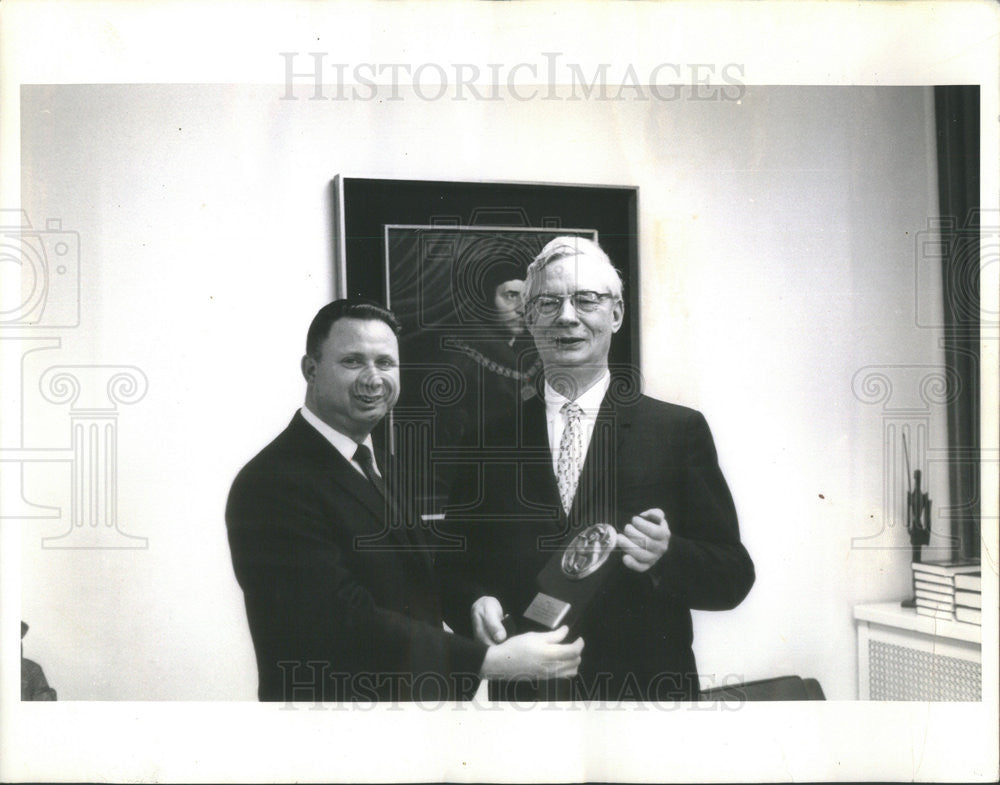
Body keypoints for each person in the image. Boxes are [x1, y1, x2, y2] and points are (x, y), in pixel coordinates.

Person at [439, 238, 755, 701]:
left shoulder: (677, 430)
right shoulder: (487, 440)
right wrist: (472, 603)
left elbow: (733, 576)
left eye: (586, 300)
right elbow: (451, 568)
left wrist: (667, 555)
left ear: (616, 314)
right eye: (547, 302)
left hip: (646, 702)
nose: (567, 316)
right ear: (528, 319)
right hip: (533, 705)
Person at [225, 299, 582, 702]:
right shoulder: (271, 483)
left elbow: (415, 581)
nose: (373, 379)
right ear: (310, 370)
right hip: (332, 740)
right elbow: (340, 621)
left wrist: (475, 603)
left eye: (385, 362)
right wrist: (490, 662)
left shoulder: (379, 465)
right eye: (353, 362)